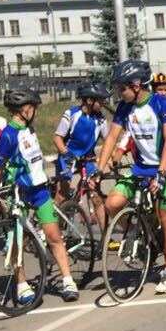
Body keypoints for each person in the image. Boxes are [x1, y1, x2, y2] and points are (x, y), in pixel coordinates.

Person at [0, 89, 80, 303]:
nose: (35, 111)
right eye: (34, 108)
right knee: (17, 240)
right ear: (26, 109)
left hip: (40, 191)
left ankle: (67, 280)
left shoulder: (29, 128)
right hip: (19, 194)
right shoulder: (9, 135)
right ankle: (21, 284)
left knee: (54, 237)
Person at [96, 60, 166, 293]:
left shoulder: (161, 103)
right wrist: (99, 170)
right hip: (141, 168)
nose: (118, 93)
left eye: (121, 88)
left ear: (136, 86)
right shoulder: (125, 108)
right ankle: (141, 232)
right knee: (112, 203)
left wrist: (162, 174)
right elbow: (112, 138)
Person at [53, 83, 110, 229]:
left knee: (96, 196)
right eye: (100, 101)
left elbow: (109, 140)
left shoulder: (101, 118)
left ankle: (105, 237)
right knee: (62, 193)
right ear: (89, 100)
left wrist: (112, 158)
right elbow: (57, 138)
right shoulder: (71, 114)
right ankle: (50, 225)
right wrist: (65, 153)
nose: (103, 103)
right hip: (68, 156)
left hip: (87, 159)